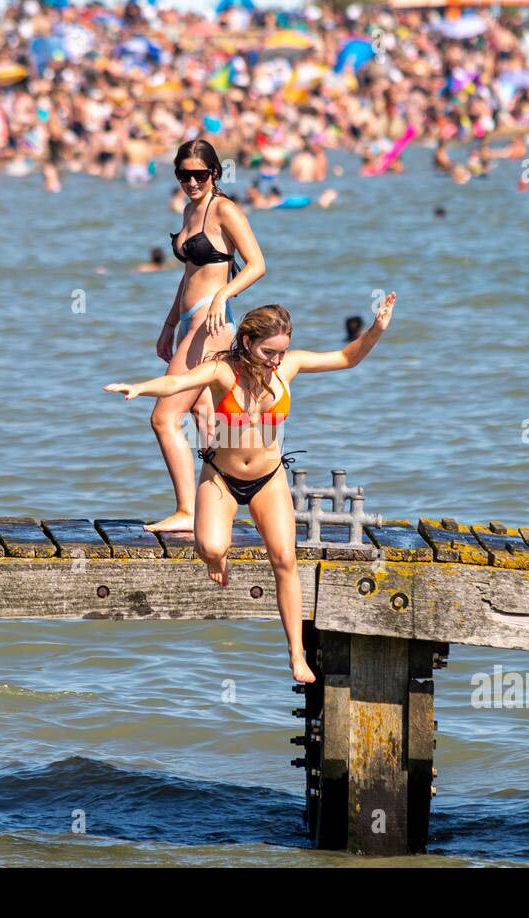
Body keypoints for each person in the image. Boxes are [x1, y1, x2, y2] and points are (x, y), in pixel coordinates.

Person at [104, 292, 397, 682]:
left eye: (282, 351)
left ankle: (296, 655)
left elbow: (346, 358)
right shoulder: (223, 371)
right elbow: (178, 380)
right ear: (247, 343)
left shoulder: (287, 368)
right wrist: (141, 388)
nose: (276, 360)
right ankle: (215, 557)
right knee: (210, 547)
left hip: (268, 479)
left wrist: (376, 329)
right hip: (221, 477)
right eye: (269, 352)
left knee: (285, 561)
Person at [148, 139, 267, 533]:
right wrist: (168, 325)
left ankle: (187, 511)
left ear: (215, 172)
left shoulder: (224, 209)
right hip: (188, 320)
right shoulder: (188, 209)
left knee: (165, 417)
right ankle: (222, 507)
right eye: (184, 175)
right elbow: (188, 276)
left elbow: (257, 264)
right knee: (205, 419)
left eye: (200, 174)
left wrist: (223, 295)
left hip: (211, 324)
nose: (192, 182)